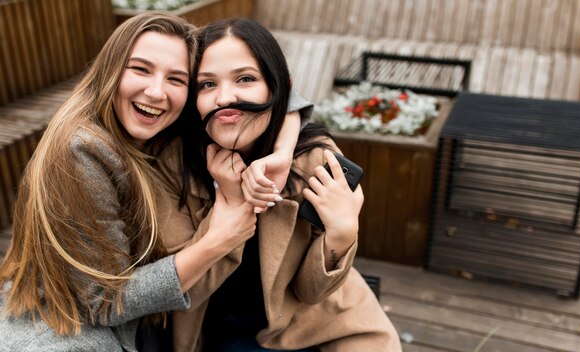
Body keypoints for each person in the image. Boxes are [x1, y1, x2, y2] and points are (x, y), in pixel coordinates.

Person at [0, 12, 311, 352]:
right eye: (141, 69)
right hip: (70, 332)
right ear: (110, 70)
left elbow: (276, 93)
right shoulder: (83, 150)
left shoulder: (153, 124)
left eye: (177, 79)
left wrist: (282, 150)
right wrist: (219, 239)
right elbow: (104, 303)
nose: (156, 91)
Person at [155, 17, 402, 352]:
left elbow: (311, 292)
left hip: (315, 324)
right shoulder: (173, 165)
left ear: (277, 89)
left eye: (245, 78)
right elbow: (184, 291)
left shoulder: (313, 161)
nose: (225, 97)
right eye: (207, 84)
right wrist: (232, 203)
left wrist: (342, 236)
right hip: (217, 328)